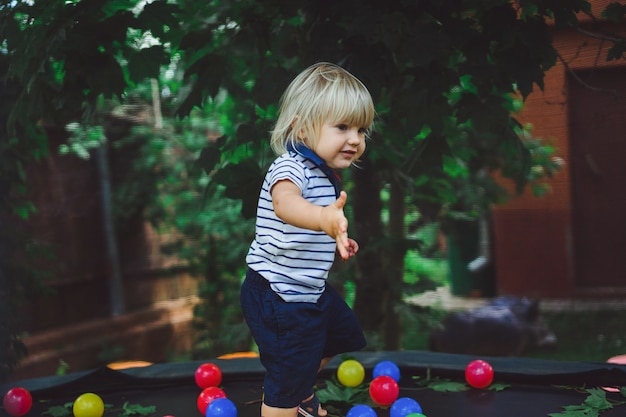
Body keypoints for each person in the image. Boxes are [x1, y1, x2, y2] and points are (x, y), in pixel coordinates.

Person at [240, 62, 375, 417]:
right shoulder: (290, 168)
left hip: (307, 290)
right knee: (285, 375)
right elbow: (286, 206)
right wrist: (323, 218)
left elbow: (310, 231)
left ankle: (299, 389)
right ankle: (289, 395)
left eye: (361, 129)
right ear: (302, 128)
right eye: (343, 126)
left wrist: (337, 235)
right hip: (277, 295)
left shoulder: (321, 173)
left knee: (342, 334)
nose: (355, 138)